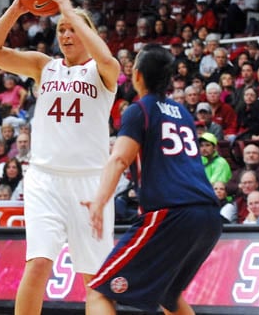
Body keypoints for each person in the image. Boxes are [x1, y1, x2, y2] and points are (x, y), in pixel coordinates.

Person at [0, 0, 120, 315]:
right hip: (45, 180)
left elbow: (107, 59)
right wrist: (17, 6)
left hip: (90, 184)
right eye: (61, 30)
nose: (66, 34)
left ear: (89, 34)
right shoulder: (45, 67)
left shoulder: (103, 72)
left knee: (95, 280)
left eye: (72, 28)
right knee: (38, 263)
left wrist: (69, 10)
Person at [84, 44, 221, 314]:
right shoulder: (182, 113)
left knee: (99, 291)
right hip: (208, 216)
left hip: (172, 213)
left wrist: (98, 201)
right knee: (169, 295)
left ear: (136, 75)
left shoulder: (138, 110)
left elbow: (120, 158)